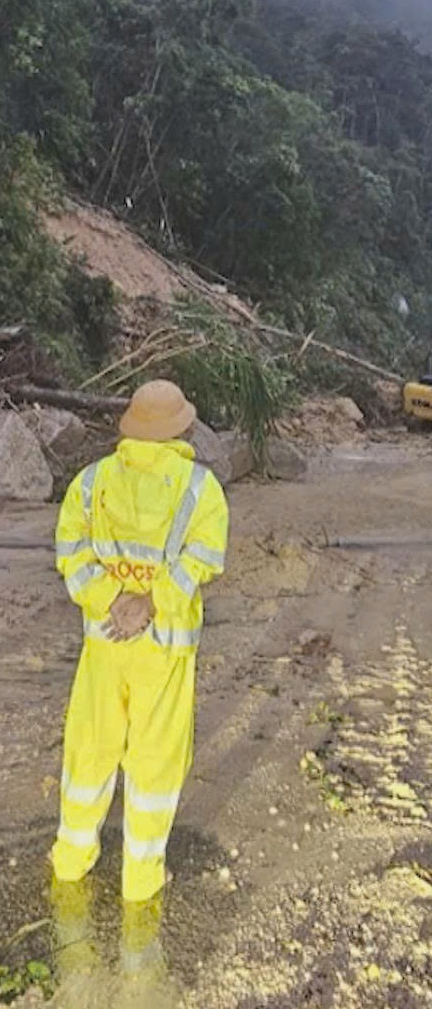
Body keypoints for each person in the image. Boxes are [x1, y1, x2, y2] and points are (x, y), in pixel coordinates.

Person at [51, 379, 229, 902]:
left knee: (91, 750)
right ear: (182, 427)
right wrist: (149, 603)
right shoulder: (200, 489)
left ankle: (70, 862)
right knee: (154, 762)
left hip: (105, 644)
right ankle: (141, 881)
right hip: (165, 650)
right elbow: (203, 561)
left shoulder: (91, 481)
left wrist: (111, 601)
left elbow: (71, 553)